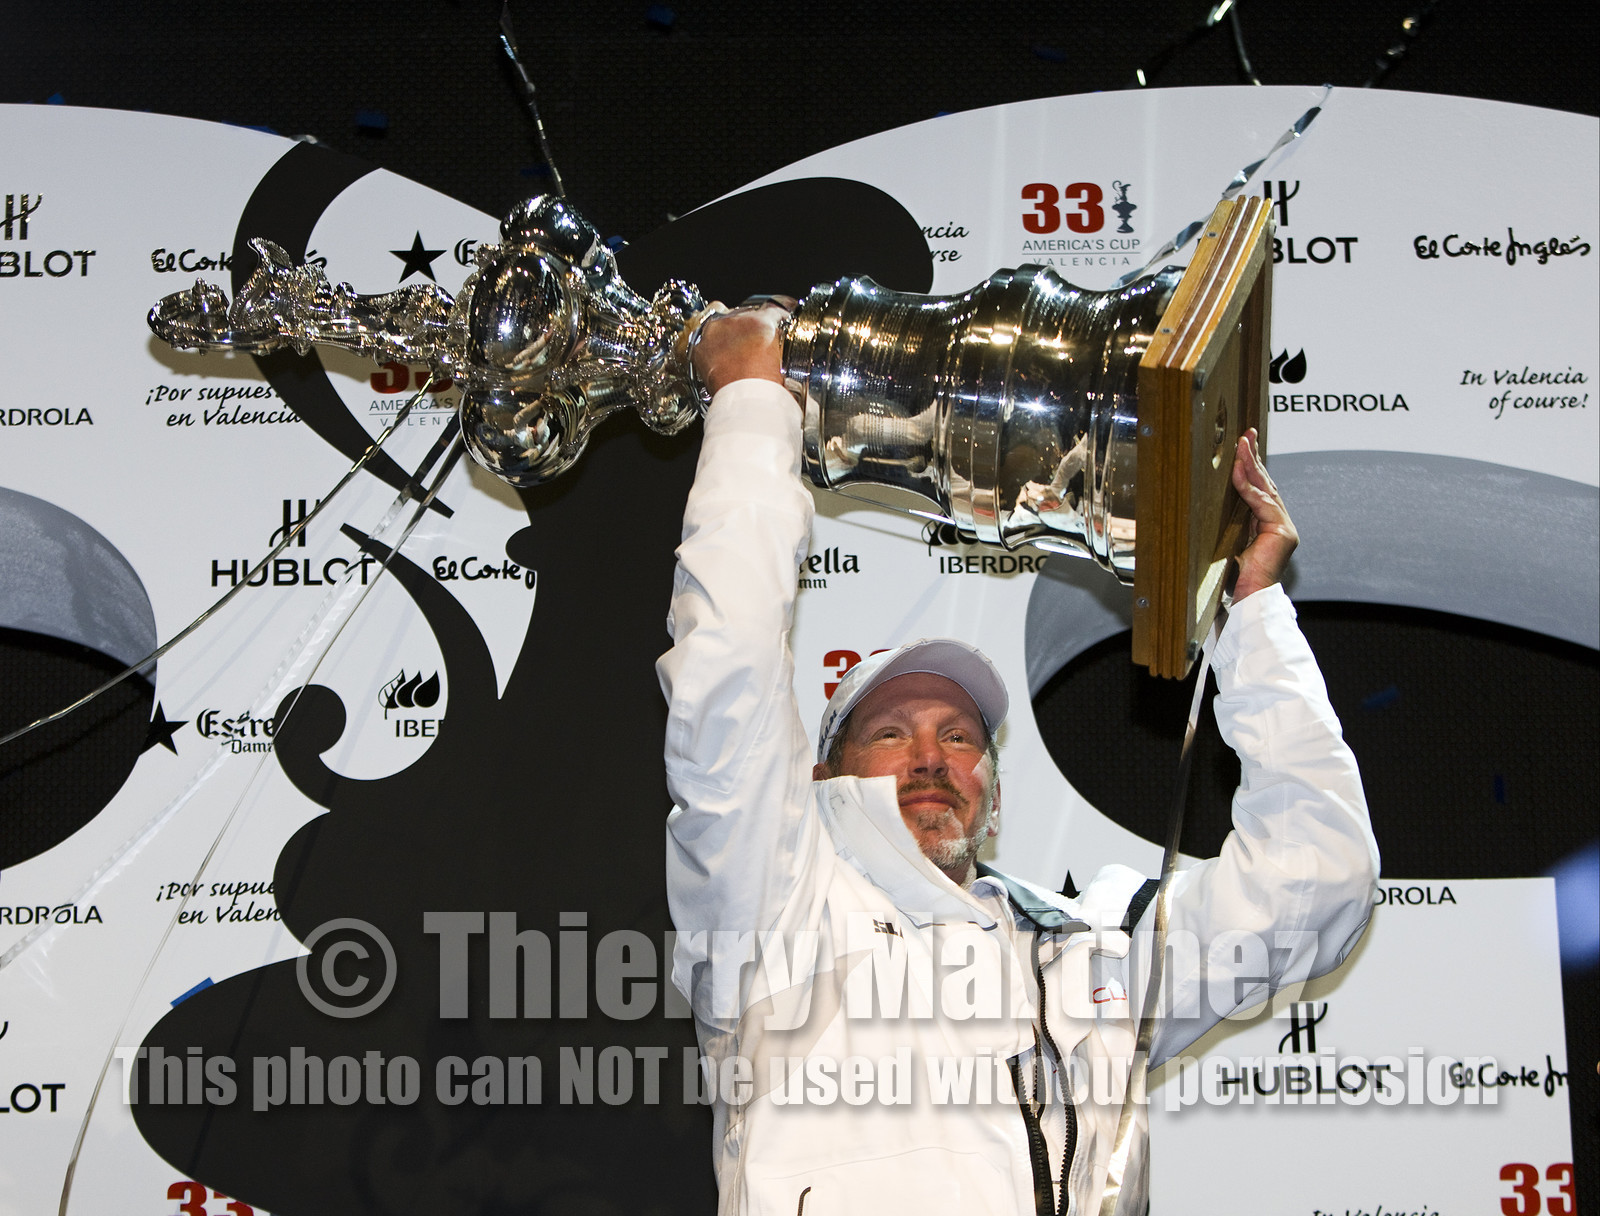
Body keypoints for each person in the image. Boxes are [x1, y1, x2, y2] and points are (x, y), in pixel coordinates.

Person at [658, 303, 1379, 1216]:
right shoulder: (777, 911)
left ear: (990, 792)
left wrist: (1253, 616)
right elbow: (728, 678)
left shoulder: (1090, 955)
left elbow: (1320, 879)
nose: (931, 757)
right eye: (889, 733)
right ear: (820, 779)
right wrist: (754, 411)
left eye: (960, 738)